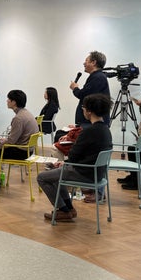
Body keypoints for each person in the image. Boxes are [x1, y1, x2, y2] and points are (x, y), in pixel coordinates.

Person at [37, 93, 113, 221]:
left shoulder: (88, 131)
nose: (82, 109)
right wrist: (65, 163)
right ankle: (68, 209)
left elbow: (73, 155)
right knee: (56, 174)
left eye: (83, 107)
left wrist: (66, 162)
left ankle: (63, 210)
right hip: (97, 173)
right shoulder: (106, 130)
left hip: (83, 173)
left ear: (89, 111)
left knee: (42, 177)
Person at [0, 90, 39, 193]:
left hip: (21, 152)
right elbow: (14, 138)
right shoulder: (26, 113)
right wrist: (4, 141)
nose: (7, 101)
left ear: (14, 102)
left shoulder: (18, 118)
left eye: (8, 99)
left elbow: (11, 141)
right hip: (27, 150)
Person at [69, 51, 110, 127]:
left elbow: (83, 95)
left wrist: (75, 88)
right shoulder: (97, 76)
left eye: (86, 61)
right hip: (90, 122)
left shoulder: (97, 77)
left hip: (92, 124)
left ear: (93, 62)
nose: (84, 63)